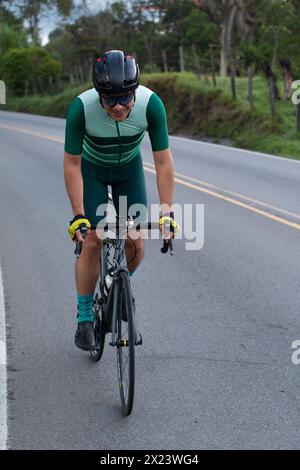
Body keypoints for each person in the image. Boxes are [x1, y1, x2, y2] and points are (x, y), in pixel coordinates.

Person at [64, 50, 178, 351]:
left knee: (137, 241)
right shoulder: (81, 108)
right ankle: (85, 316)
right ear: (98, 95)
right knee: (93, 240)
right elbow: (72, 164)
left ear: (135, 92)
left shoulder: (151, 105)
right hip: (93, 171)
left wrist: (167, 213)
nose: (117, 106)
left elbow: (163, 161)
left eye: (124, 98)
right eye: (108, 99)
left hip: (129, 171)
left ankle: (118, 287)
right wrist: (78, 215)